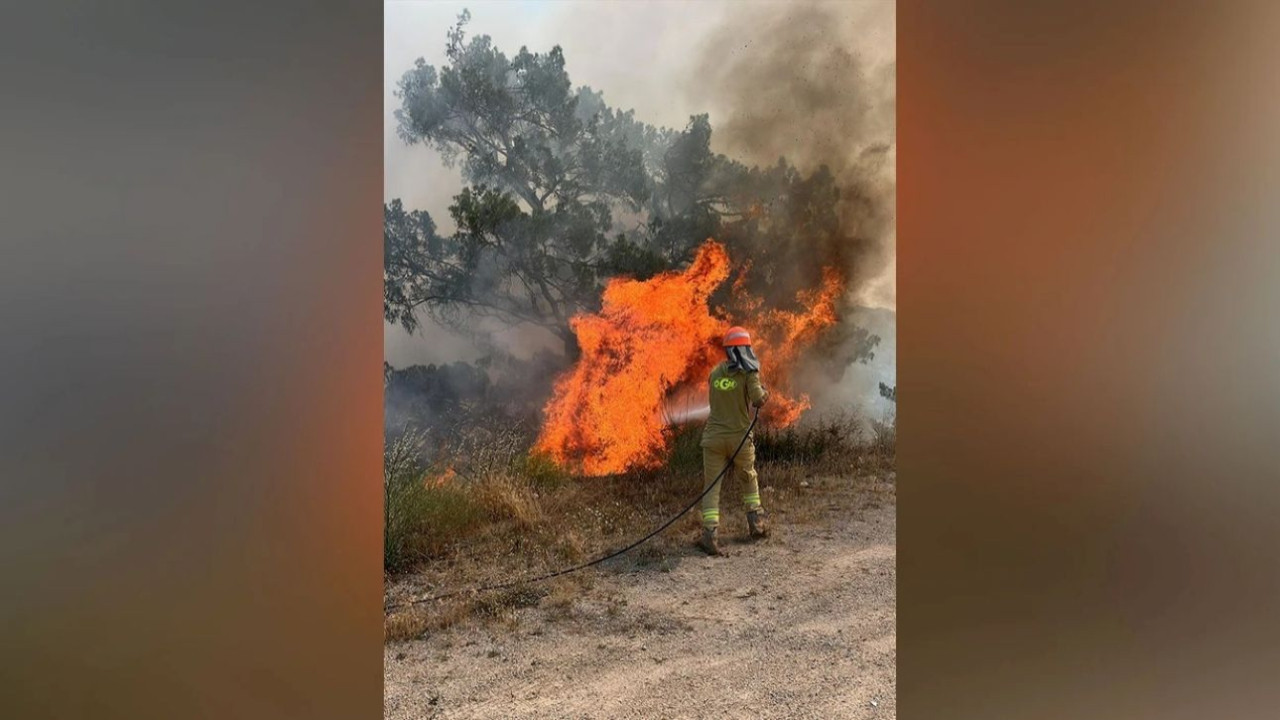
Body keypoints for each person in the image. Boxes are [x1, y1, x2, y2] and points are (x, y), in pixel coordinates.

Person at [697, 326, 769, 556]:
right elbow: (758, 399)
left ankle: (710, 534)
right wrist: (763, 393)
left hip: (713, 439)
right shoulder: (749, 373)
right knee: (748, 478)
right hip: (739, 439)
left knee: (711, 487)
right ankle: (756, 526)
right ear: (745, 349)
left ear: (728, 351)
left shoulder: (715, 372)